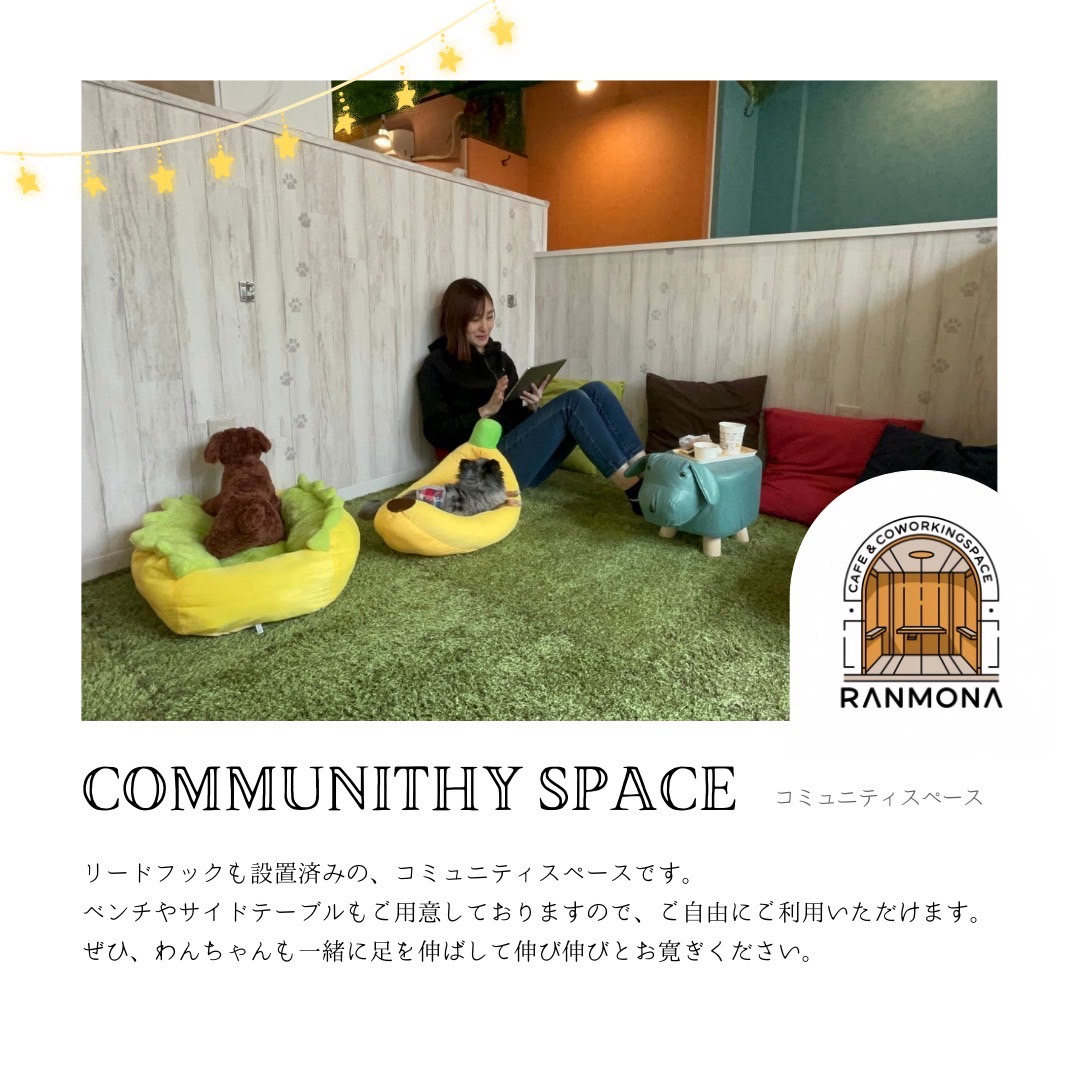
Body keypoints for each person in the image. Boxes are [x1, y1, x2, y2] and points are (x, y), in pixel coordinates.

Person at [416, 278, 646, 513]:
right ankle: (635, 492)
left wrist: (532, 407)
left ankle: (646, 473)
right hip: (486, 471)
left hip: (524, 460)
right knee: (573, 402)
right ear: (456, 321)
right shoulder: (436, 366)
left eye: (490, 316)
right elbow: (435, 432)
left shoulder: (501, 360)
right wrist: (485, 411)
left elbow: (519, 422)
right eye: (476, 320)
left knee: (596, 391)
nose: (485, 327)